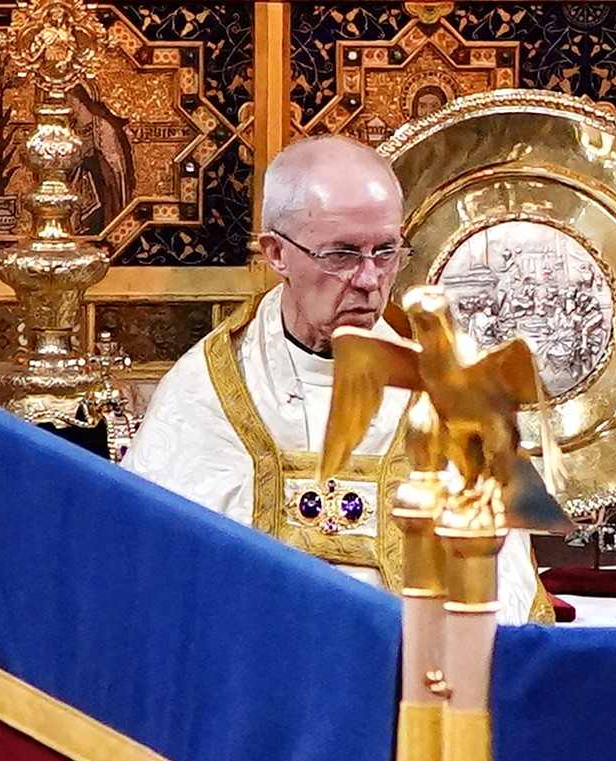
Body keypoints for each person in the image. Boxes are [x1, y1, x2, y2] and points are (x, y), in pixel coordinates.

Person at [122, 135, 533, 619]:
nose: (368, 278)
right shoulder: (210, 392)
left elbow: (497, 579)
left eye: (386, 251)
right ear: (276, 253)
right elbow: (159, 568)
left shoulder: (447, 390)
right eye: (341, 255)